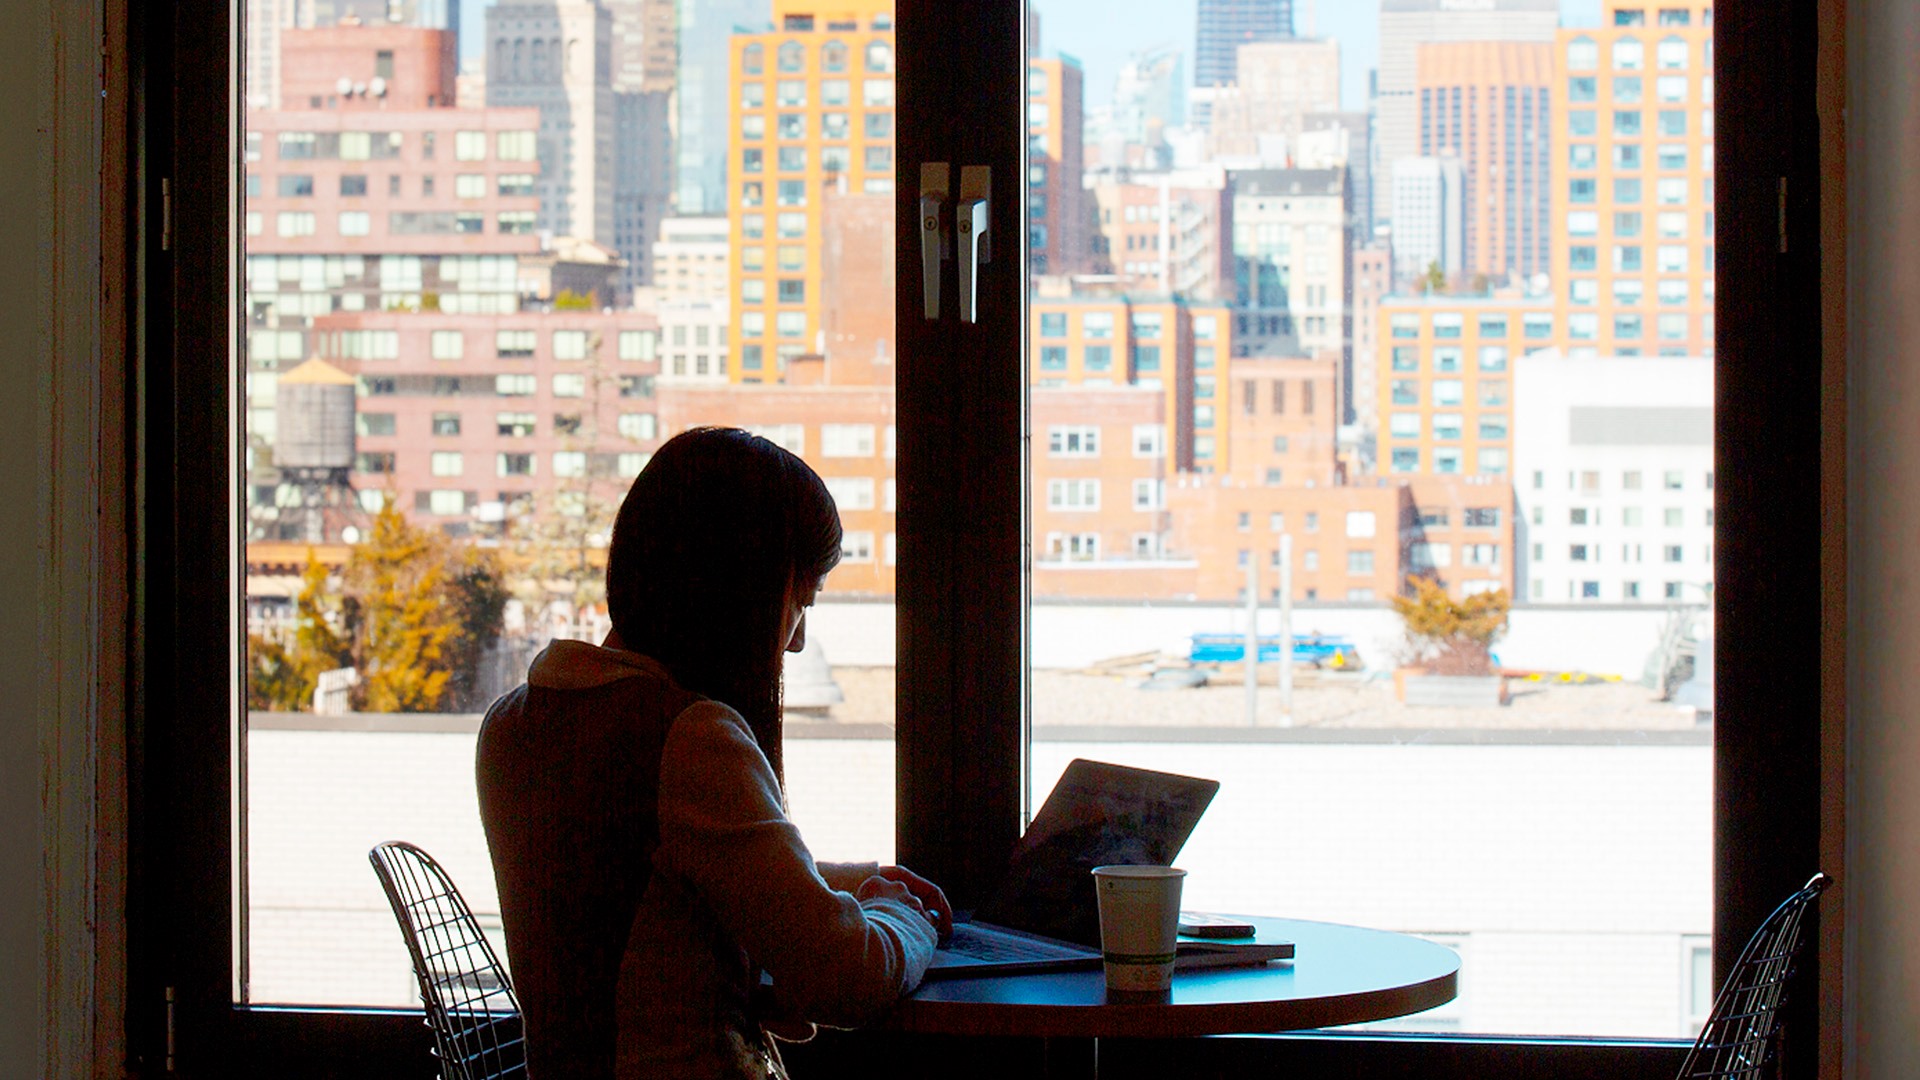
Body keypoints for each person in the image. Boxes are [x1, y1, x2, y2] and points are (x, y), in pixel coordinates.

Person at [477, 427, 950, 1080]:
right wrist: (907, 914)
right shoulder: (687, 738)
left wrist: (855, 881)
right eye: (798, 603)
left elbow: (676, 876)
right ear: (741, 592)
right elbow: (848, 979)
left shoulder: (516, 723)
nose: (796, 643)